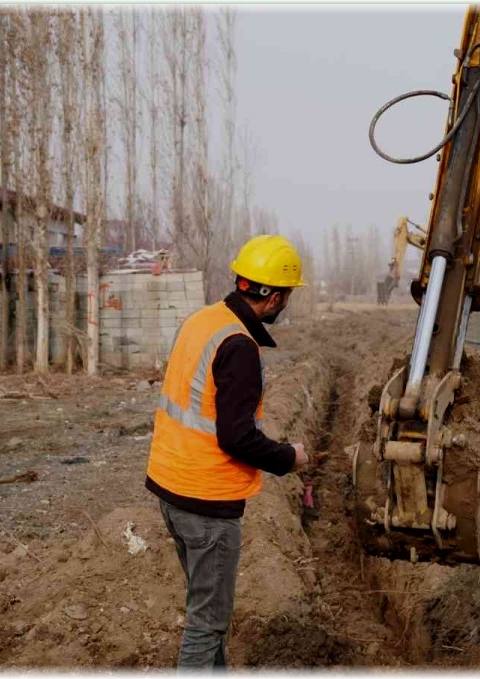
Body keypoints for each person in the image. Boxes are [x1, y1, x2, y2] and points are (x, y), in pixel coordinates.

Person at [145, 234, 310, 669]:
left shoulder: (203, 321)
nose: (285, 304)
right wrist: (290, 457)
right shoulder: (238, 345)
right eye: (287, 296)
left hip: (171, 488)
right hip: (207, 503)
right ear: (272, 296)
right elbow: (236, 438)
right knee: (208, 624)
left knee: (208, 613)